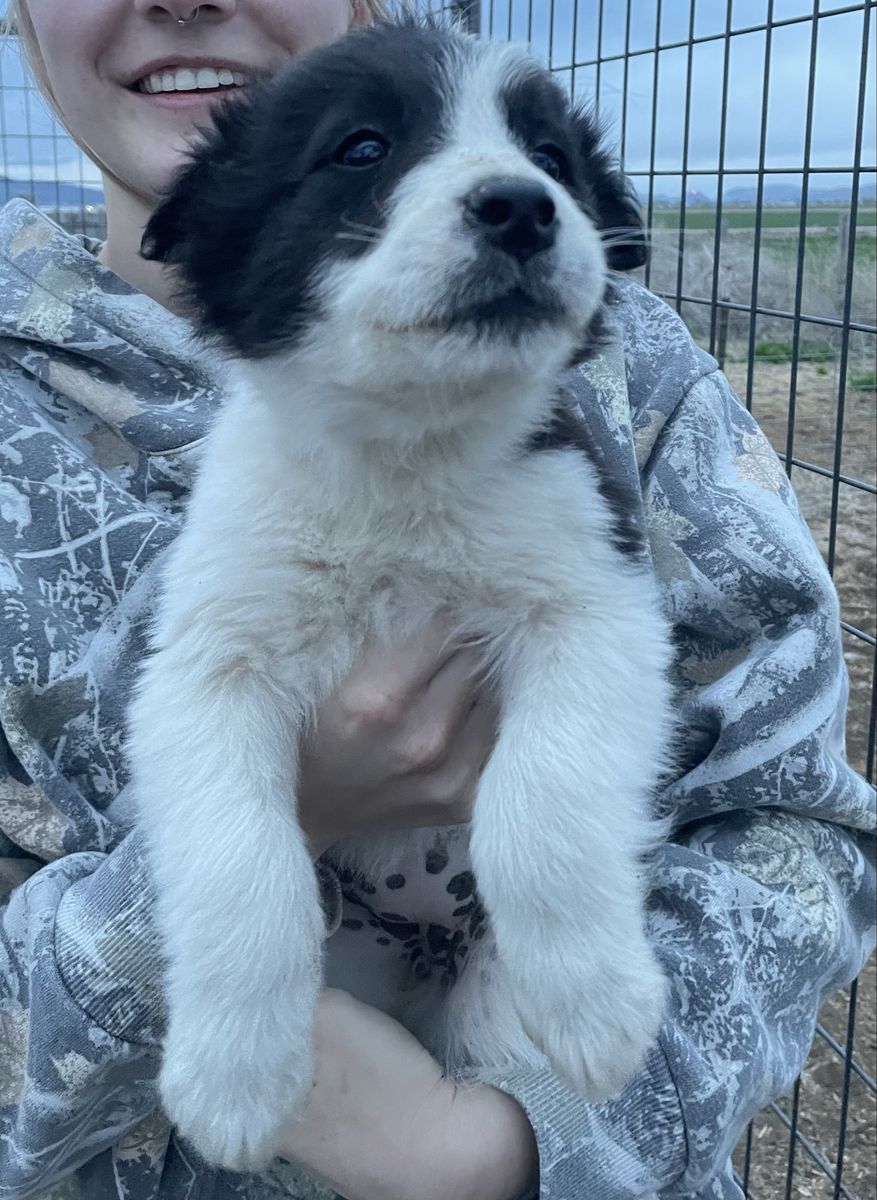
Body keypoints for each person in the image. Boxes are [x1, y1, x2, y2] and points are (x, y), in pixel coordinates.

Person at [0, 1, 873, 1199]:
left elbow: (608, 648)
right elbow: (210, 695)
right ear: (222, 240)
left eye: (548, 164)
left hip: (519, 1054)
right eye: (365, 151)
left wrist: (509, 1118)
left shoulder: (628, 415)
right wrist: (235, 963)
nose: (512, 192)